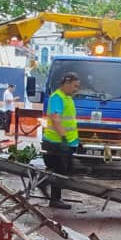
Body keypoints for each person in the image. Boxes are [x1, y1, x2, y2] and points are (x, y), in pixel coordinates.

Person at [42, 72, 80, 210]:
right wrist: (64, 137)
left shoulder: (68, 98)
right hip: (56, 142)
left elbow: (69, 121)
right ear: (67, 83)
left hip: (66, 142)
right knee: (60, 172)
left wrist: (74, 140)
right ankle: (55, 199)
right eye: (75, 86)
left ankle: (45, 184)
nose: (77, 89)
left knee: (66, 170)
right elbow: (55, 118)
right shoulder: (57, 97)